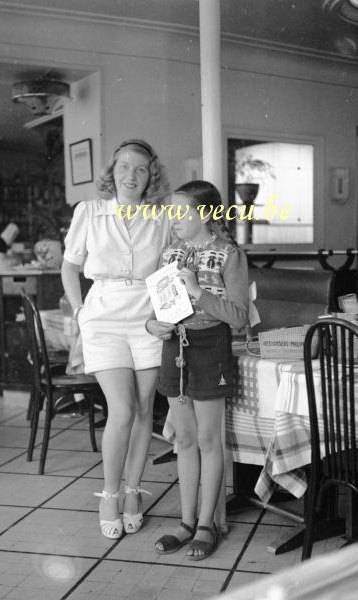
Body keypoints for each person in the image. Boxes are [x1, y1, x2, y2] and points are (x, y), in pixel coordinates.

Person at [61, 139, 170, 539]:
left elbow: (168, 272)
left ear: (149, 177)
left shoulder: (161, 218)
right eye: (124, 166)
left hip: (148, 319)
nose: (131, 175)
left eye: (140, 169)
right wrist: (78, 312)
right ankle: (109, 493)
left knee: (144, 409)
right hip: (103, 318)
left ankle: (133, 490)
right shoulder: (88, 212)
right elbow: (69, 268)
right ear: (112, 171)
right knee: (122, 410)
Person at [148, 180, 249, 560]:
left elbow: (238, 318)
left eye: (181, 211)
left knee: (209, 441)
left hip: (210, 349)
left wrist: (198, 292)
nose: (173, 219)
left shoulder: (228, 255)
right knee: (184, 441)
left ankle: (207, 523)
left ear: (206, 214)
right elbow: (157, 310)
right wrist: (151, 325)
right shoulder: (167, 255)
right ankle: (186, 522)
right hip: (174, 348)